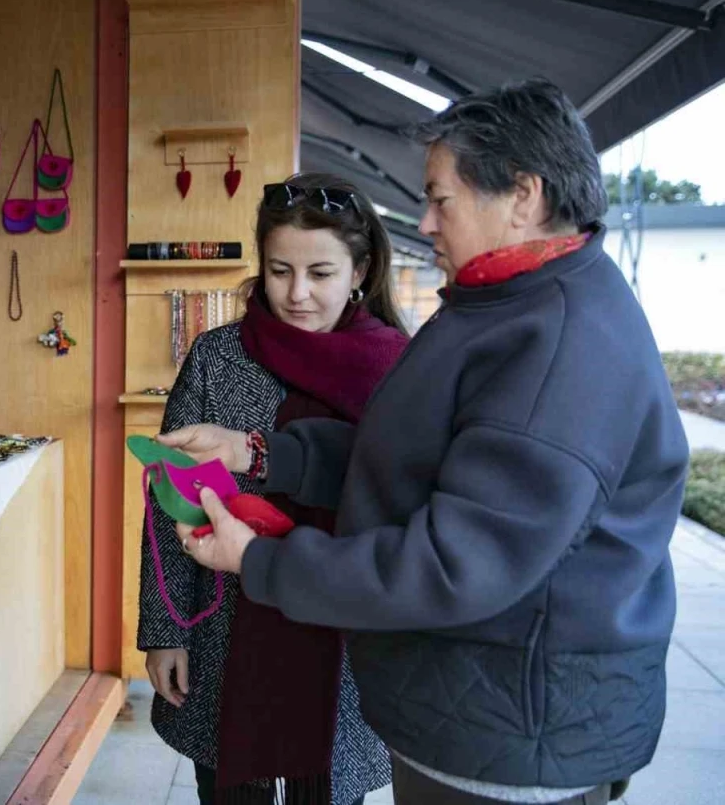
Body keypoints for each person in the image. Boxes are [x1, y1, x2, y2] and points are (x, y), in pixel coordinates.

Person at [163, 79, 690, 805]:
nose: (426, 220)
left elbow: (452, 561)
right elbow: (411, 455)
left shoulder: (558, 343)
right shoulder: (505, 305)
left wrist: (260, 560)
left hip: (509, 735)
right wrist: (261, 454)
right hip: (470, 714)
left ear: (523, 196)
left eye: (441, 198)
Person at [139, 173, 408, 805]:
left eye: (320, 273)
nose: (297, 293)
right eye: (280, 270)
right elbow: (168, 501)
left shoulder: (398, 367)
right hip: (226, 627)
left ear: (360, 270)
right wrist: (166, 629)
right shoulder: (218, 358)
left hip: (346, 639)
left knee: (330, 783)